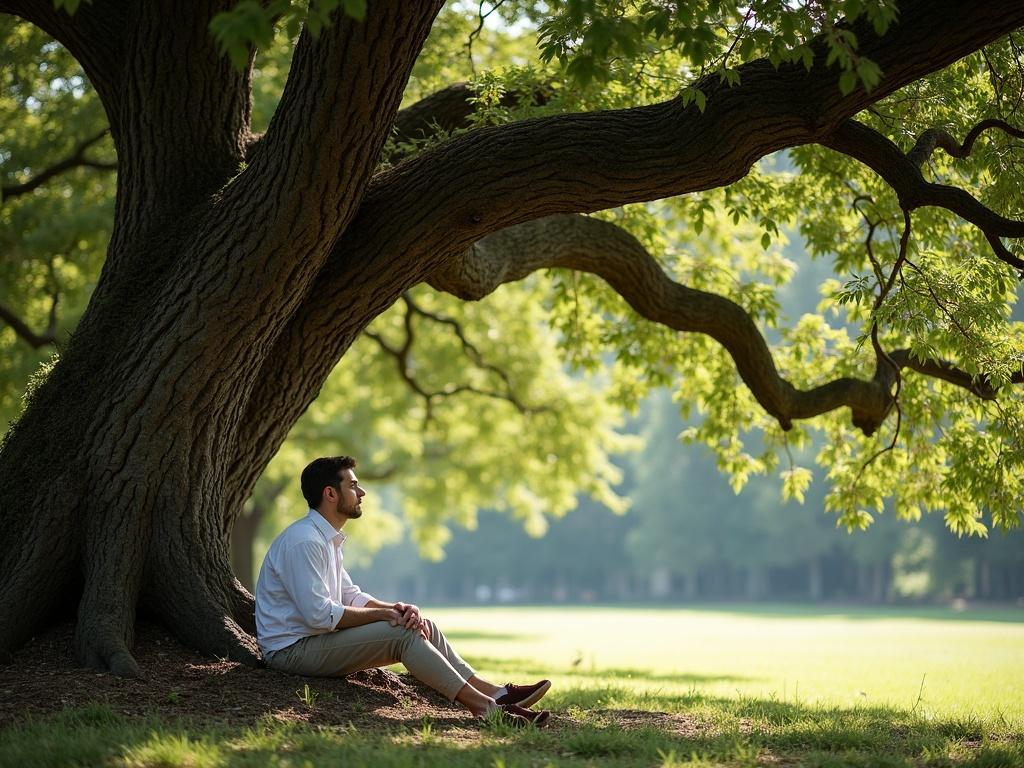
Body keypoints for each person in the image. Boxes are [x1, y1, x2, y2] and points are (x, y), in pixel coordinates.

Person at [255, 455, 552, 727]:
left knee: (421, 625)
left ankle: (497, 693)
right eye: (354, 486)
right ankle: (486, 709)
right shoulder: (305, 542)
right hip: (290, 651)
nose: (362, 493)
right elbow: (320, 615)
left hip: (316, 641)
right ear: (330, 494)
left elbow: (351, 595)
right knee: (403, 634)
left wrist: (396, 609)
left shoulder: (325, 539)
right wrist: (385, 616)